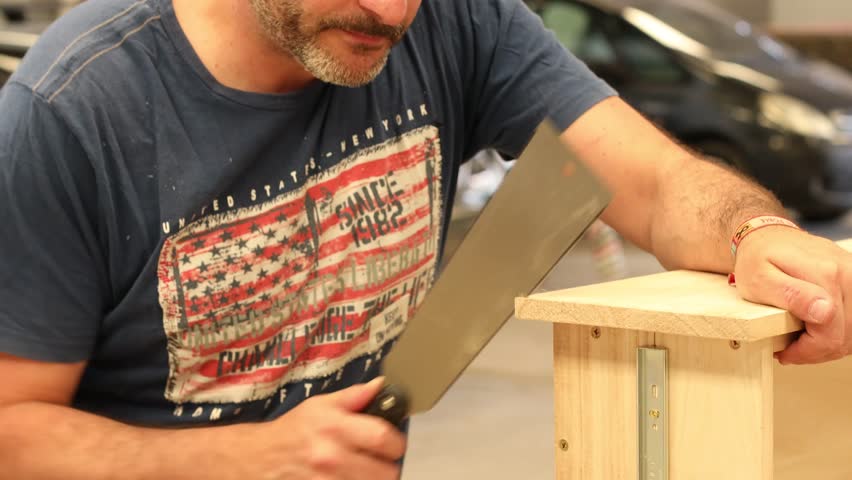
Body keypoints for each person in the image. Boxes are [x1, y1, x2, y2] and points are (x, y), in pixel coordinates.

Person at [0, 0, 850, 478]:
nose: (392, 11)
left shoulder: (457, 22)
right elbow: (12, 428)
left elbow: (656, 182)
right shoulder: (75, 110)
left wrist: (756, 233)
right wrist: (245, 456)